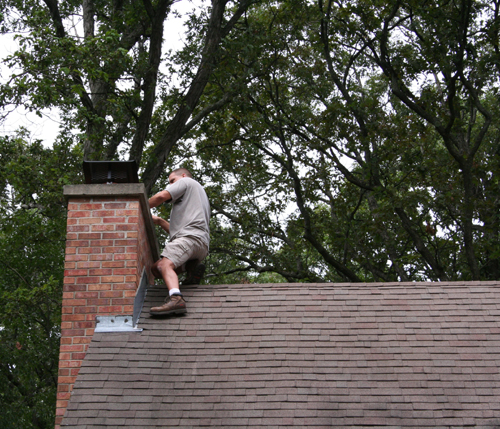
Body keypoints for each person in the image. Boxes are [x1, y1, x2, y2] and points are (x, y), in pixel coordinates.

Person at [148, 168, 210, 316]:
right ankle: (191, 267)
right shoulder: (197, 196)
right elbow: (178, 232)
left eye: (172, 181)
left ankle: (176, 299)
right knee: (156, 269)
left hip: (189, 239)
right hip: (199, 244)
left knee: (164, 265)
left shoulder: (186, 181)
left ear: (182, 176)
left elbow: (161, 196)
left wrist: (140, 206)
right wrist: (160, 221)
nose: (170, 185)